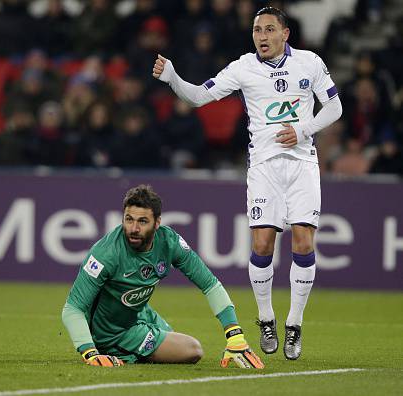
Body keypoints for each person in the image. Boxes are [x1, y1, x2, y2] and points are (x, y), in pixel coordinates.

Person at [152, 6, 343, 360]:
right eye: (257, 30)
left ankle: (295, 324)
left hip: (303, 164)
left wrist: (302, 130)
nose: (262, 36)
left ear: (286, 34)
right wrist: (173, 78)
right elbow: (197, 97)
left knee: (303, 242)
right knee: (262, 242)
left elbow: (334, 108)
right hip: (264, 168)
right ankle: (267, 318)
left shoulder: (310, 63)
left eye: (269, 29)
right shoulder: (243, 67)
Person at [61, 185, 264, 368]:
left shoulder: (169, 243)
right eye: (128, 219)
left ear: (157, 222)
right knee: (192, 350)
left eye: (142, 221)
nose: (133, 229)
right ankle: (116, 349)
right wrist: (90, 352)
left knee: (173, 339)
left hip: (139, 313)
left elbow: (210, 285)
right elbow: (73, 308)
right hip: (113, 332)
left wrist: (235, 336)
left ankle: (136, 348)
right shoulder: (106, 253)